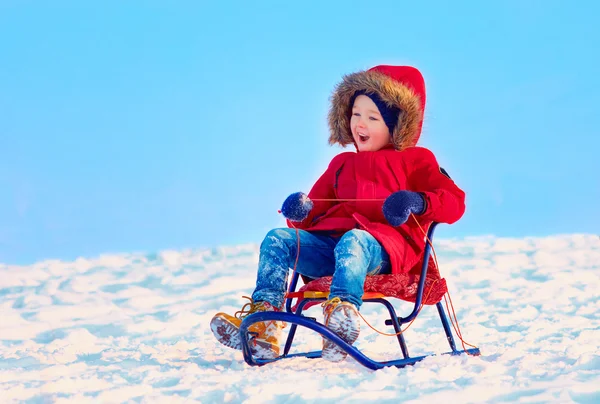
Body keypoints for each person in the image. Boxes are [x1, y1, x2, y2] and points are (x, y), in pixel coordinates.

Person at [210, 65, 466, 362]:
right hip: (332, 250)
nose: (361, 123)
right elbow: (312, 209)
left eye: (372, 117)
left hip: (384, 252)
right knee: (278, 238)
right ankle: (265, 323)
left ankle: (341, 316)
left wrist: (417, 201)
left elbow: (454, 201)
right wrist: (300, 210)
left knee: (354, 240)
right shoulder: (342, 164)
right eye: (356, 114)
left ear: (397, 124)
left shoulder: (416, 160)